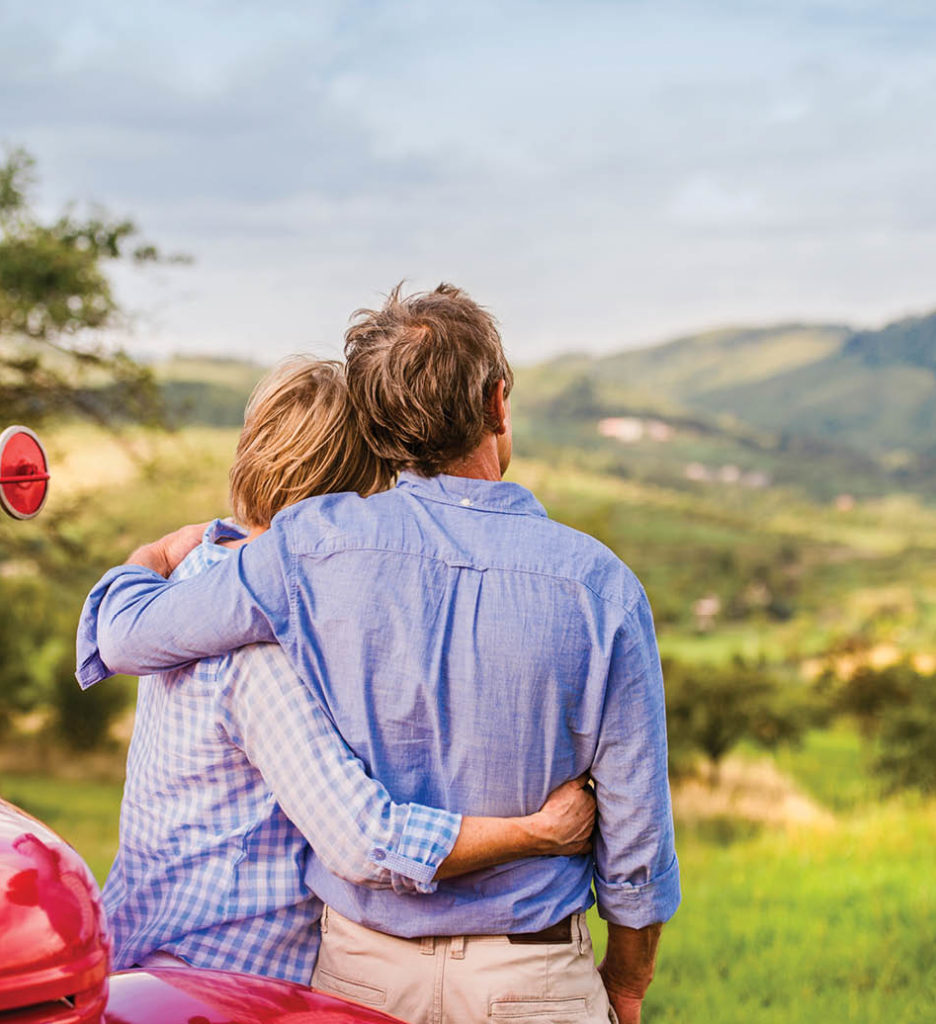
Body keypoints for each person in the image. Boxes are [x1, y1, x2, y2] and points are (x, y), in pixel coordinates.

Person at [78, 284, 680, 1024]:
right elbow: (637, 843)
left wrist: (163, 551)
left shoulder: (313, 549)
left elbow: (132, 637)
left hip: (357, 970)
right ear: (498, 403)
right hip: (531, 970)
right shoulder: (602, 587)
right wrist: (626, 985)